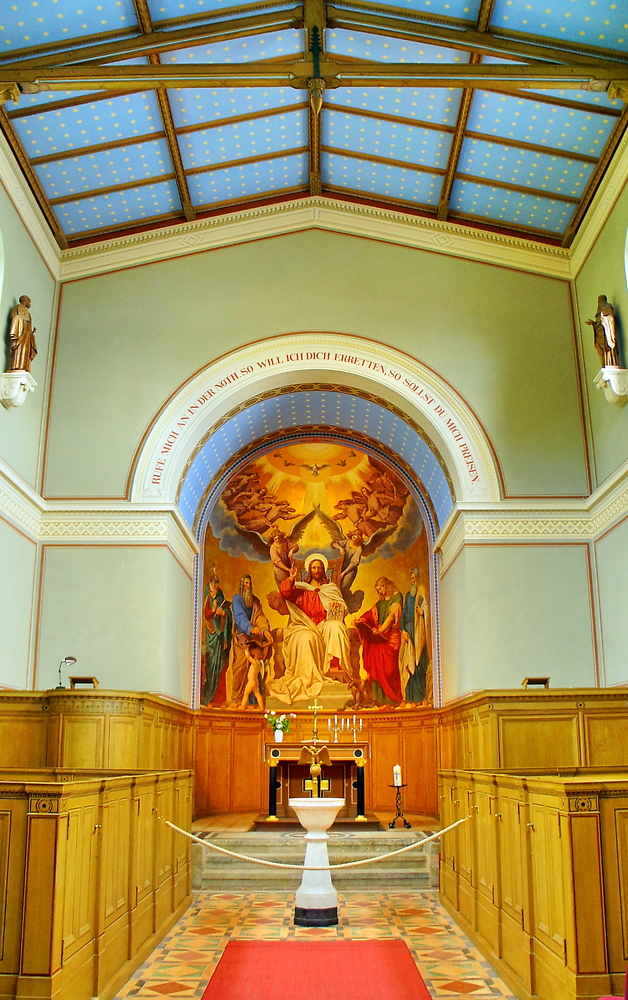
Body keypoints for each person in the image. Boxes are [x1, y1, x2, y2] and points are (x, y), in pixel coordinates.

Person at [270, 554, 351, 704]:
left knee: (337, 627)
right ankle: (307, 676)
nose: (316, 570)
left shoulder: (330, 589)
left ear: (324, 570)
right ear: (309, 570)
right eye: (313, 567)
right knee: (307, 638)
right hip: (304, 625)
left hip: (324, 624)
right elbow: (286, 593)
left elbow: (342, 607)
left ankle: (334, 669)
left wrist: (338, 609)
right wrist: (291, 578)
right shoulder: (300, 588)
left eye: (319, 567)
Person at [355, 577, 403, 705]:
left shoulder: (396, 599)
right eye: (378, 590)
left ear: (387, 586)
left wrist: (381, 629)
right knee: (377, 667)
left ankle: (392, 699)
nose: (380, 592)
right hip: (379, 639)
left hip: (390, 638)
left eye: (381, 588)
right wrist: (361, 621)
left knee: (389, 669)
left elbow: (392, 617)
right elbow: (370, 615)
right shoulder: (380, 603)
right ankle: (378, 700)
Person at [229, 574, 272, 706]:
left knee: (255, 669)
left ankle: (253, 703)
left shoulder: (255, 601)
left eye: (249, 583)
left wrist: (264, 630)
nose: (248, 586)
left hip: (253, 642)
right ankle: (236, 699)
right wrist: (250, 628)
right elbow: (239, 617)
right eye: (246, 583)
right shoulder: (237, 599)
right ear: (242, 585)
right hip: (241, 639)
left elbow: (260, 616)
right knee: (239, 669)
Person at [201, 565, 231, 706]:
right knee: (210, 665)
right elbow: (205, 612)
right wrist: (213, 610)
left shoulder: (220, 593)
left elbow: (226, 611)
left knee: (220, 667)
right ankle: (209, 698)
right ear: (211, 574)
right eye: (215, 571)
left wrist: (224, 613)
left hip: (220, 637)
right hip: (211, 634)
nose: (218, 574)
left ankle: (220, 699)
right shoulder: (207, 590)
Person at [400, 565, 429, 705]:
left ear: (418, 577)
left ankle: (420, 696)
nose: (413, 581)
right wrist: (403, 630)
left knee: (419, 663)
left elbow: (426, 607)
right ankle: (410, 697)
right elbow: (404, 613)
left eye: (414, 578)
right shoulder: (408, 595)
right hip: (409, 631)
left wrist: (422, 613)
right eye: (411, 579)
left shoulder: (422, 591)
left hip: (418, 631)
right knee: (408, 662)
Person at [587, 295, 620, 368]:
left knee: (607, 347)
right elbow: (598, 322)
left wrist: (605, 318)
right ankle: (603, 366)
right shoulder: (598, 312)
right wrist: (593, 324)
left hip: (607, 332)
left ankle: (610, 363)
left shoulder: (607, 306)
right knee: (599, 348)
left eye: (600, 300)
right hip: (600, 332)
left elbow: (611, 317)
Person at [8, 295, 37, 373]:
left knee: (25, 351)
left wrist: (31, 332)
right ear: (25, 301)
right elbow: (13, 317)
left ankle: (24, 367)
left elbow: (29, 324)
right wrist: (20, 320)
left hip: (27, 335)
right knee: (18, 350)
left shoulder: (28, 313)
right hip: (20, 333)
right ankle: (16, 366)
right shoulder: (17, 308)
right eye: (28, 301)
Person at [239, 641, 265, 710]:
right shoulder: (259, 663)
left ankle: (242, 706)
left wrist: (246, 649)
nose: (253, 657)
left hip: (251, 681)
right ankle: (261, 707)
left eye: (254, 655)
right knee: (257, 694)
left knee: (246, 693)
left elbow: (248, 656)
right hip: (255, 681)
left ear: (256, 655)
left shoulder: (254, 663)